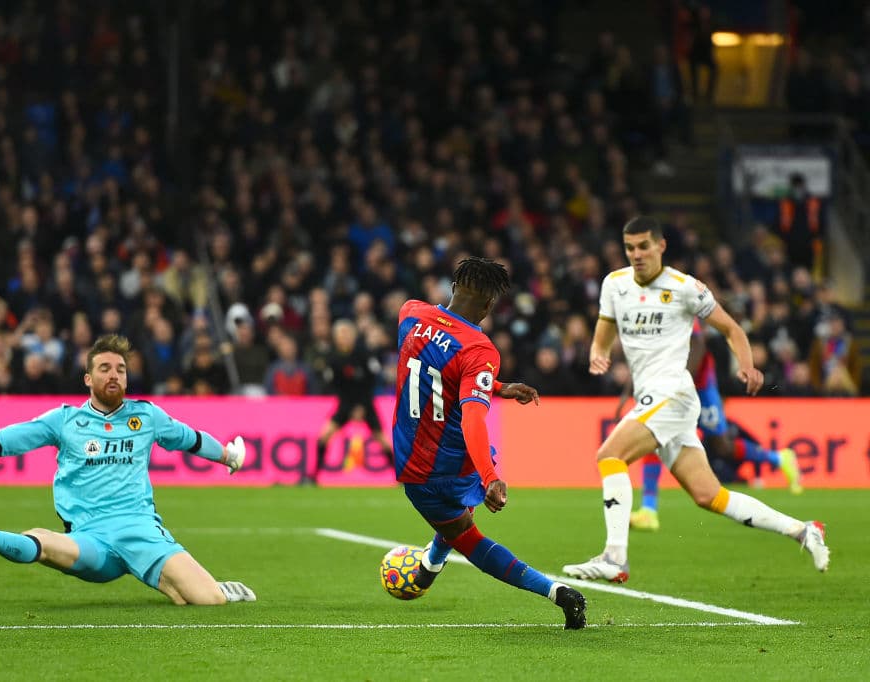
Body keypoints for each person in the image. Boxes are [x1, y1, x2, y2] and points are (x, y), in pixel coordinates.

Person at [0, 334, 256, 605]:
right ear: (88, 380)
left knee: (205, 600)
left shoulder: (147, 415)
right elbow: (0, 441)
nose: (114, 375)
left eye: (121, 370)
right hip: (89, 539)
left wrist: (229, 456)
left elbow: (190, 439)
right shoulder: (64, 421)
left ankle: (210, 587)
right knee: (45, 543)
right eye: (105, 368)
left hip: (141, 530)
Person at [562, 216, 829, 583]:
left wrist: (748, 365)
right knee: (709, 495)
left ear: (661, 246)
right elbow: (605, 327)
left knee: (610, 455)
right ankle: (804, 530)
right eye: (630, 248)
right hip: (653, 397)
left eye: (643, 246)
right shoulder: (614, 284)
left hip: (674, 393)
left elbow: (731, 328)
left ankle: (614, 557)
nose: (636, 254)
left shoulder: (685, 288)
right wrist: (599, 351)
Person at [392, 257, 587, 630]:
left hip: (421, 470)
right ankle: (430, 565)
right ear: (487, 306)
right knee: (460, 517)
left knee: (466, 537)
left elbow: (434, 370)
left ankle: (555, 591)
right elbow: (472, 415)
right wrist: (488, 474)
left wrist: (496, 387)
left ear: (453, 288)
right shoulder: (479, 350)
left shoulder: (410, 314)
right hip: (460, 459)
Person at [621, 319, 803, 532]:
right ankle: (648, 511)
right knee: (654, 434)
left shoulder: (678, 299)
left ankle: (779, 458)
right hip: (671, 388)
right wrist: (628, 391)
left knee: (722, 446)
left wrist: (681, 382)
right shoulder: (647, 312)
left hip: (700, 387)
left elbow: (698, 344)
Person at [309, 319, 392, 483]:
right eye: (340, 334)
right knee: (324, 436)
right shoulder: (333, 358)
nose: (344, 337)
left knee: (382, 439)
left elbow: (371, 381)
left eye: (347, 333)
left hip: (365, 402)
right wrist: (350, 407)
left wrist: (361, 406)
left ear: (353, 335)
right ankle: (313, 477)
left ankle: (401, 476)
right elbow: (336, 386)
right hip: (346, 403)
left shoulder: (364, 354)